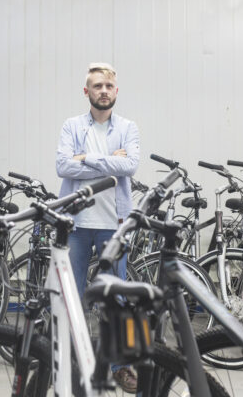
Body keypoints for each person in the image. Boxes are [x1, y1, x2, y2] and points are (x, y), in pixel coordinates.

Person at [55, 62, 140, 393]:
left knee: (115, 299)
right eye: (97, 86)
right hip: (75, 224)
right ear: (86, 91)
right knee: (71, 299)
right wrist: (108, 162)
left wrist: (84, 158)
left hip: (114, 226)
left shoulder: (128, 128)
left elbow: (130, 165)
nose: (103, 90)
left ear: (116, 91)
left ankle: (119, 367)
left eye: (108, 86)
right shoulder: (71, 125)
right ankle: (72, 365)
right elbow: (63, 165)